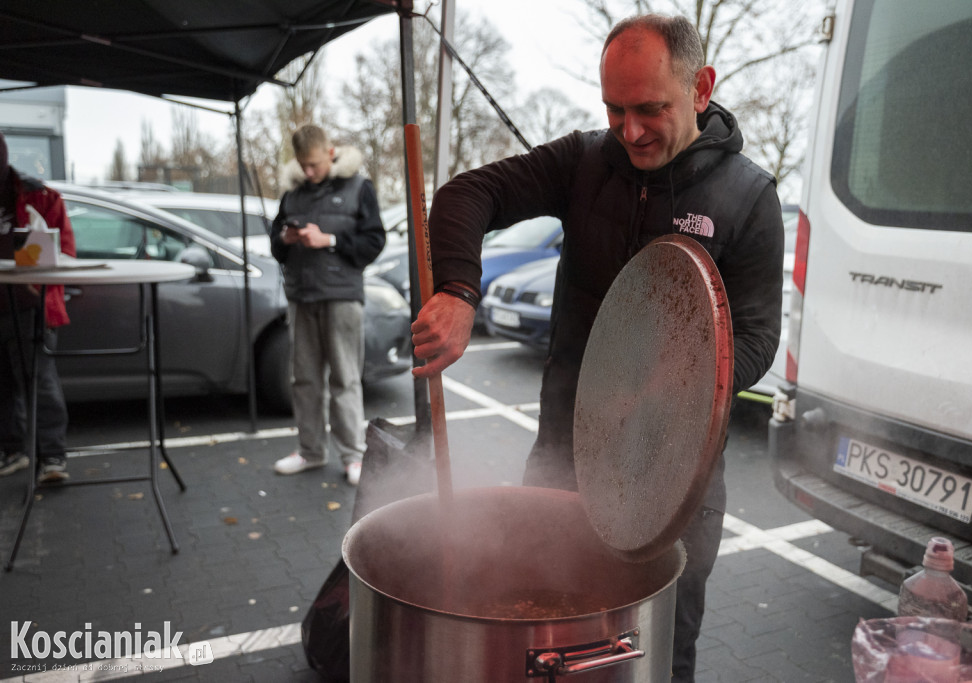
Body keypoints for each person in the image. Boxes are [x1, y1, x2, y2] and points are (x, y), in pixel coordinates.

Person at [410, 14, 784, 682]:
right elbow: (468, 194)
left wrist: (683, 372)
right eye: (614, 108)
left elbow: (757, 338)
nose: (630, 130)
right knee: (539, 634)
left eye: (650, 108)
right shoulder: (583, 162)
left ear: (701, 88)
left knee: (660, 650)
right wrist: (460, 290)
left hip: (676, 489)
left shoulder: (749, 197)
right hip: (564, 462)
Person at [269, 124, 385, 486]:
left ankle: (355, 457)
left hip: (341, 297)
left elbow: (374, 241)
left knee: (345, 378)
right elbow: (276, 248)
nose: (308, 172)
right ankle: (311, 451)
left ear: (330, 152)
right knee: (303, 380)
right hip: (301, 297)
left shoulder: (359, 187)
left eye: (314, 164)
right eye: (302, 164)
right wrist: (285, 239)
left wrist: (330, 240)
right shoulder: (292, 193)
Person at [0, 132, 77, 484]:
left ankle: (52, 457)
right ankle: (12, 450)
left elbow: (65, 252)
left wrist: (34, 263)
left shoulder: (38, 195)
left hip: (30, 304)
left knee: (39, 379)